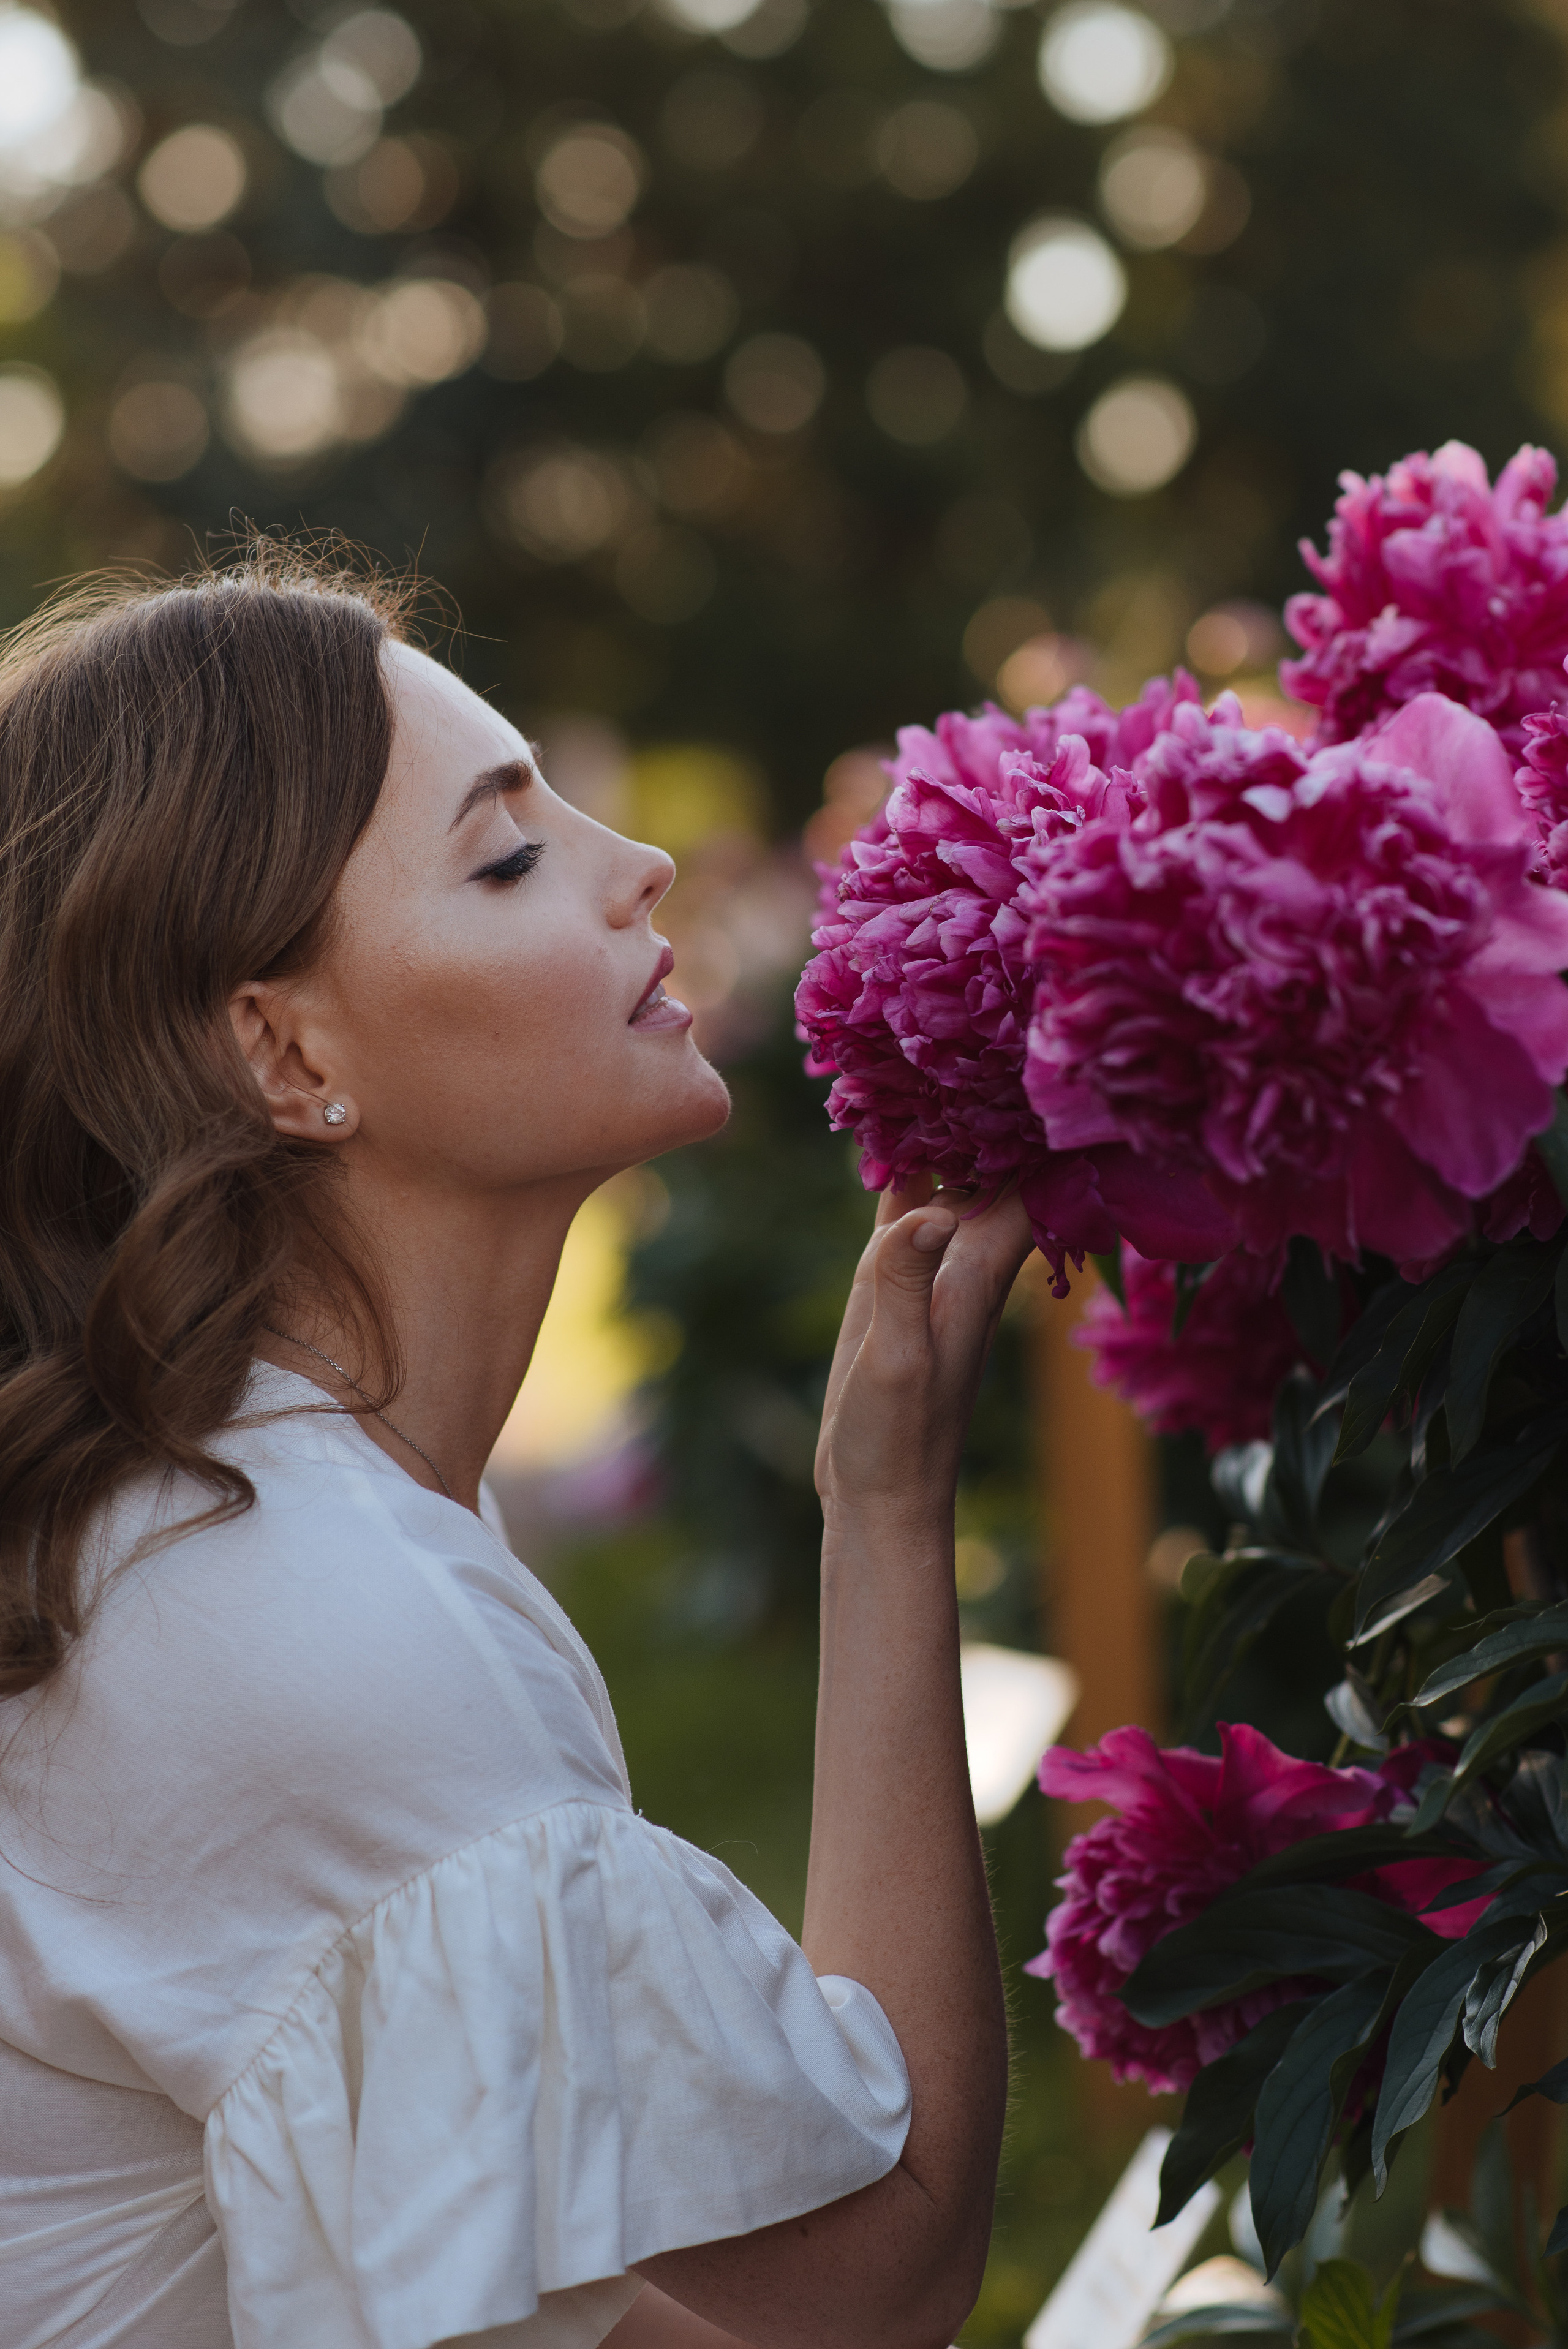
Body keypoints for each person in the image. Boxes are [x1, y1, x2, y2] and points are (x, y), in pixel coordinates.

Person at [0, 550, 1030, 2349]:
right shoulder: (302, 1619)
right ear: (285, 1049)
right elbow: (868, 2280)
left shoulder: (217, 1529)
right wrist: (891, 1521)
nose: (637, 866)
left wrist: (878, 1492)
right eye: (506, 853)